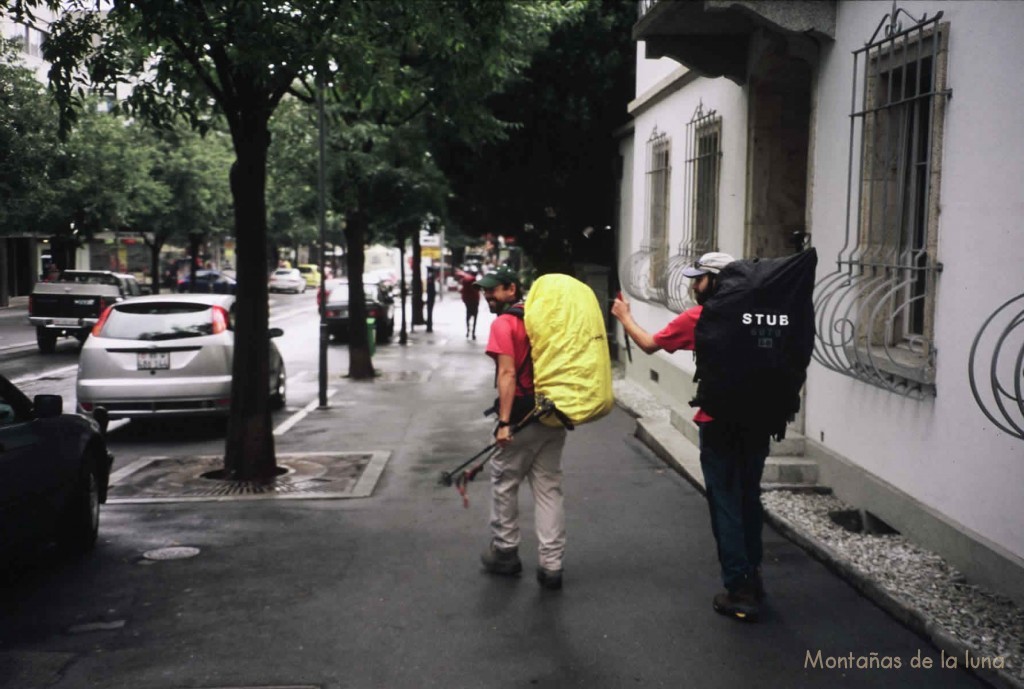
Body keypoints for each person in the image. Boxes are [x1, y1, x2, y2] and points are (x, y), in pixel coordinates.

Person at [611, 251, 769, 622]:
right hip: (760, 420)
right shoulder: (760, 313)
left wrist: (625, 317)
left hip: (720, 421)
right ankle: (754, 575)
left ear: (716, 280)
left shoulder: (704, 316)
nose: (694, 286)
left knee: (725, 501)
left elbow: (650, 344)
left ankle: (739, 589)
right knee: (748, 499)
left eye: (699, 279)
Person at [474, 265, 568, 590]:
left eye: (493, 290)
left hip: (520, 417)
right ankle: (552, 566)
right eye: (485, 290)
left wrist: (503, 422)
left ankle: (505, 553)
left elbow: (507, 375)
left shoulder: (505, 323)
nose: (487, 295)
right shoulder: (544, 319)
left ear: (511, 289)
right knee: (548, 490)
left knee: (504, 483)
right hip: (553, 414)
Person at [459, 271, 480, 339]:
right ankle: (473, 333)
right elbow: (477, 292)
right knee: (475, 318)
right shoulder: (474, 282)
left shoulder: (465, 282)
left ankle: (468, 331)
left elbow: (462, 291)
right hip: (474, 302)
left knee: (468, 316)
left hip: (468, 302)